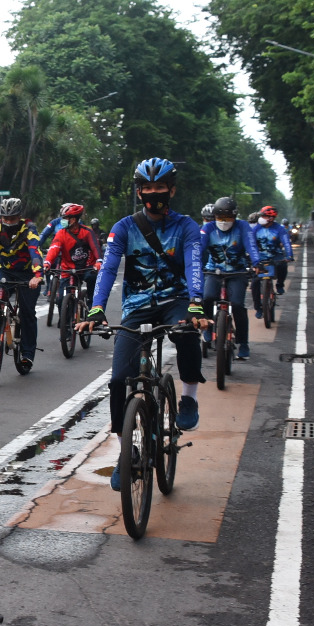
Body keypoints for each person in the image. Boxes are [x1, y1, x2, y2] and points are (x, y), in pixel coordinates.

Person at [76, 157, 207, 491]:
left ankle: (189, 396)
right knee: (120, 378)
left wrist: (195, 301)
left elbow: (194, 263)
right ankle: (126, 450)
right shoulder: (124, 227)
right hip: (136, 306)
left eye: (159, 188)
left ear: (172, 190)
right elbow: (107, 269)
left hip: (175, 301)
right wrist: (96, 309)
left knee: (189, 333)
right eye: (146, 188)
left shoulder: (187, 227)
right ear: (138, 191)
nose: (153, 194)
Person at [0, 197, 44, 371]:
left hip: (27, 273)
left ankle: (27, 353)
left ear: (19, 216)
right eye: (5, 218)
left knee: (27, 313)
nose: (9, 222)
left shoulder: (29, 228)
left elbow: (35, 251)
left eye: (12, 219)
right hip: (4, 270)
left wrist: (37, 275)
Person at [200, 196, 261, 360]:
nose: (224, 221)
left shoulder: (243, 227)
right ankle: (207, 329)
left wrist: (256, 262)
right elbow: (199, 248)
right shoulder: (208, 228)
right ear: (215, 217)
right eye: (220, 217)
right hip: (214, 270)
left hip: (237, 272)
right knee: (207, 297)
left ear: (235, 216)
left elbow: (251, 245)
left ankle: (243, 343)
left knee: (237, 305)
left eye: (228, 218)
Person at [43, 202, 101, 306]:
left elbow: (95, 247)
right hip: (68, 269)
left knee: (93, 279)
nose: (62, 221)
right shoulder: (61, 233)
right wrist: (47, 262)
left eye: (65, 218)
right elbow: (54, 248)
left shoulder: (87, 232)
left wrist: (99, 261)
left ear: (73, 219)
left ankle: (92, 306)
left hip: (86, 268)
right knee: (60, 300)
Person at [251, 205, 294, 311]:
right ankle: (258, 308)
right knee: (255, 283)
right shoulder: (256, 229)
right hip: (260, 258)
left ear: (271, 218)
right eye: (261, 215)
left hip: (276, 256)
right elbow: (251, 244)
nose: (261, 218)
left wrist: (289, 255)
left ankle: (280, 285)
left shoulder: (280, 229)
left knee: (283, 265)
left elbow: (286, 243)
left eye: (264, 216)